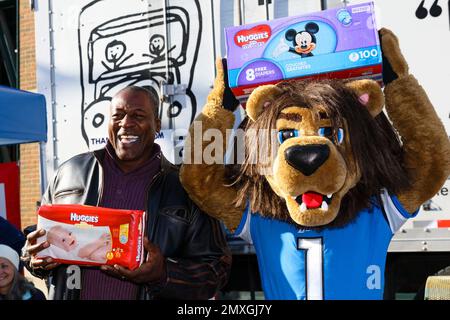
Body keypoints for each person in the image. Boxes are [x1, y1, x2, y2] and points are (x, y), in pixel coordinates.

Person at [21, 86, 231, 300]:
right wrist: (33, 258)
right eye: (117, 116)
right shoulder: (69, 172)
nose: (126, 123)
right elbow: (35, 245)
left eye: (138, 116)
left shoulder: (186, 188)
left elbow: (217, 269)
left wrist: (164, 274)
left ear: (157, 124)